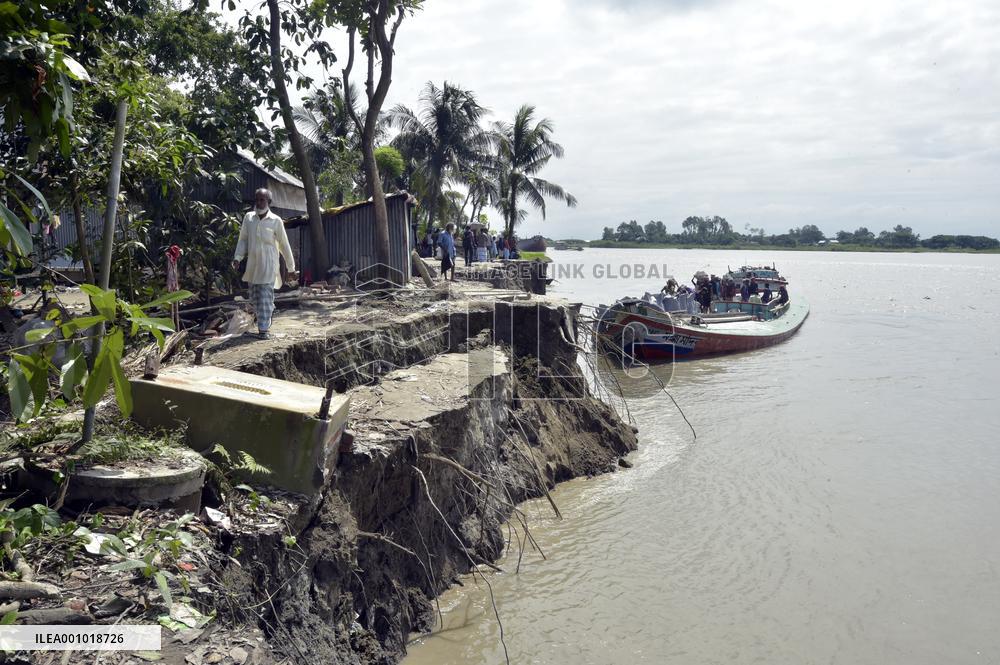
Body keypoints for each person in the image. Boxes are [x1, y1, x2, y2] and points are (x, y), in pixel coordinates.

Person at [233, 188, 295, 340]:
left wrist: (291, 267)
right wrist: (237, 257)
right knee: (255, 298)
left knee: (265, 298)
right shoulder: (249, 218)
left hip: (269, 265)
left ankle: (263, 330)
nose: (259, 202)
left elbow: (284, 245)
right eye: (257, 199)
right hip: (253, 266)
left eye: (262, 200)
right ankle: (264, 323)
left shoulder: (276, 221)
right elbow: (243, 240)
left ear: (269, 201)